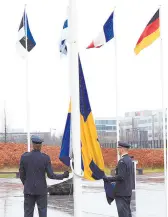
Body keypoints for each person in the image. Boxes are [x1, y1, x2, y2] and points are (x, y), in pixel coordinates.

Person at [19, 135, 69, 217]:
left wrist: (27, 184)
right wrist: (63, 175)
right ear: (41, 146)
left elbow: (21, 175)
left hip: (28, 191)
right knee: (42, 213)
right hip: (41, 191)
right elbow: (51, 175)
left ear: (32, 144)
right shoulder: (45, 158)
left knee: (28, 214)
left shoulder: (24, 157)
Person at [103, 142, 134, 217]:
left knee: (123, 214)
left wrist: (108, 179)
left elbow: (121, 177)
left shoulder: (122, 161)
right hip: (127, 191)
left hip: (121, 193)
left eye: (119, 148)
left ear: (122, 149)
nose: (118, 150)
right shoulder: (129, 160)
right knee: (127, 213)